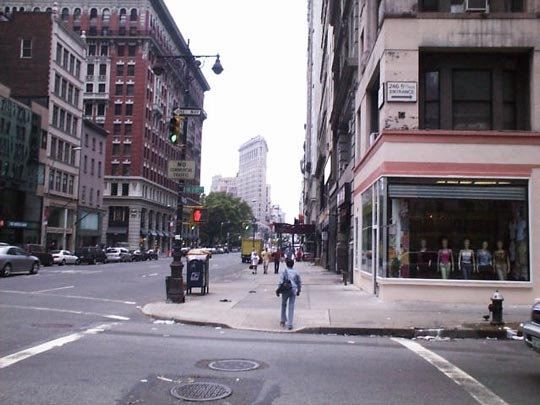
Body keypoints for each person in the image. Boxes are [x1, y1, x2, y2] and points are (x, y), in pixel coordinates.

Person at [276, 258, 302, 330]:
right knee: (291, 306)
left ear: (286, 264)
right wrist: (299, 290)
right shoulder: (296, 272)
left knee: (283, 304)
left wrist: (278, 290)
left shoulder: (284, 271)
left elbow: (281, 281)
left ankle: (283, 320)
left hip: (285, 289)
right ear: (293, 264)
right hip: (293, 289)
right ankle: (290, 324)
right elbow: (299, 282)